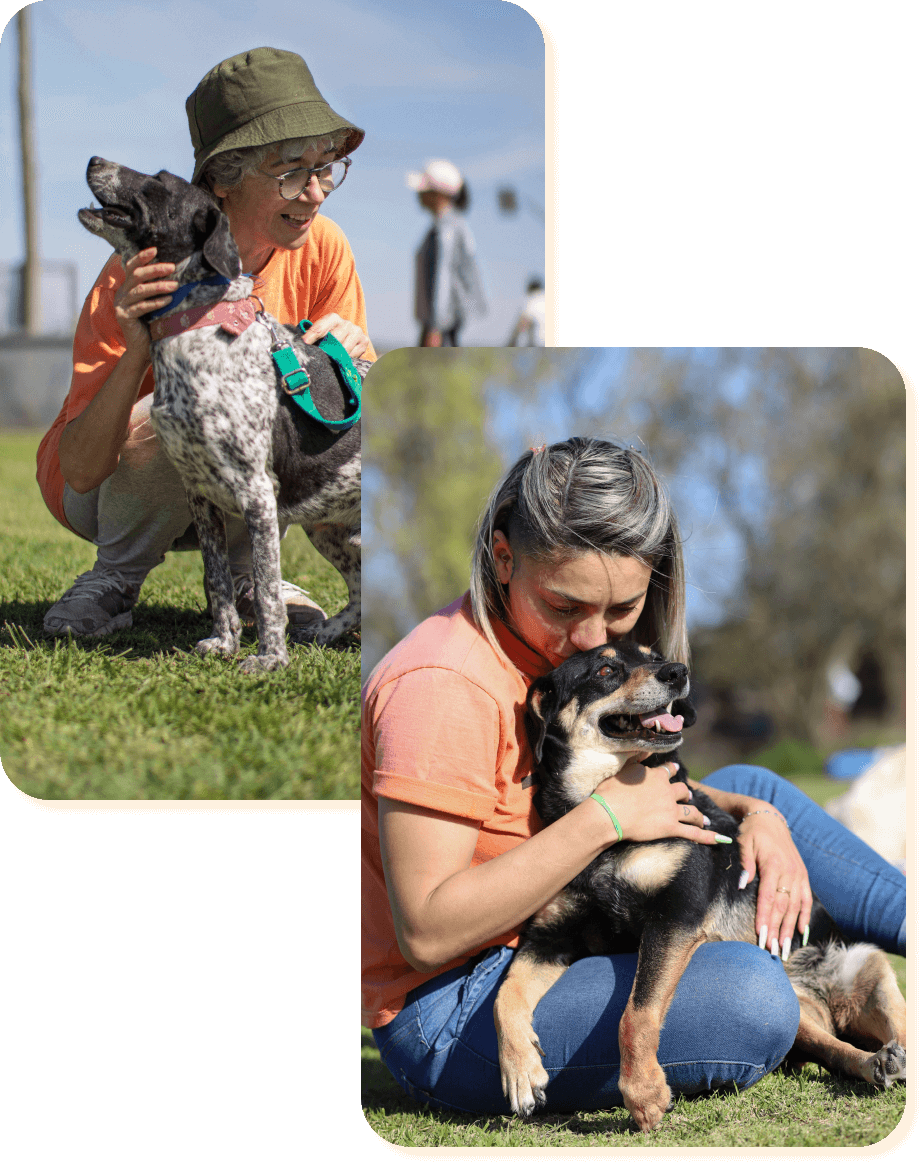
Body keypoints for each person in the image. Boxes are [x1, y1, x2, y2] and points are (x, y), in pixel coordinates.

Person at [361, 437, 906, 1116]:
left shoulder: (546, 655)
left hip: (584, 926)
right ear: (502, 558)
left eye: (621, 609)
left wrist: (758, 818)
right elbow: (427, 934)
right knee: (751, 995)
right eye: (566, 607)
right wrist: (607, 819)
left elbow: (654, 791)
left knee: (756, 788)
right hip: (460, 1003)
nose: (596, 638)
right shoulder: (442, 687)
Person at [37, 47, 375, 638]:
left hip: (239, 485)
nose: (316, 193)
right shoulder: (142, 269)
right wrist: (141, 348)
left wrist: (349, 357)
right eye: (291, 172)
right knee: (189, 406)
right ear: (222, 180)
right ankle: (114, 576)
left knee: (262, 409)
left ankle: (249, 580)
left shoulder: (324, 247)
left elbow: (336, 421)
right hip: (110, 492)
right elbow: (82, 469)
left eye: (325, 168)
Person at [406, 159, 487, 347]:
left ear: (438, 194)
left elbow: (444, 275)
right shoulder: (445, 226)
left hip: (444, 325)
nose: (419, 195)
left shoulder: (448, 228)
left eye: (424, 190)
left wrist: (435, 327)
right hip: (444, 323)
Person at [508, 277, 545, 346]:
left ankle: (511, 345)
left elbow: (523, 321)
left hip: (539, 343)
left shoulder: (531, 300)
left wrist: (511, 343)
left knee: (525, 320)